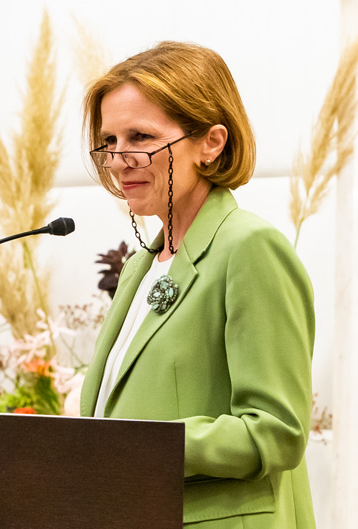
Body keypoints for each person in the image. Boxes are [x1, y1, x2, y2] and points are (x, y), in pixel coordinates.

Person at [79, 41, 316, 529]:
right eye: (110, 140)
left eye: (141, 137)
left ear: (211, 142)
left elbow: (277, 430)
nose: (120, 159)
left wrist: (140, 447)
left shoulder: (249, 247)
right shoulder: (140, 267)